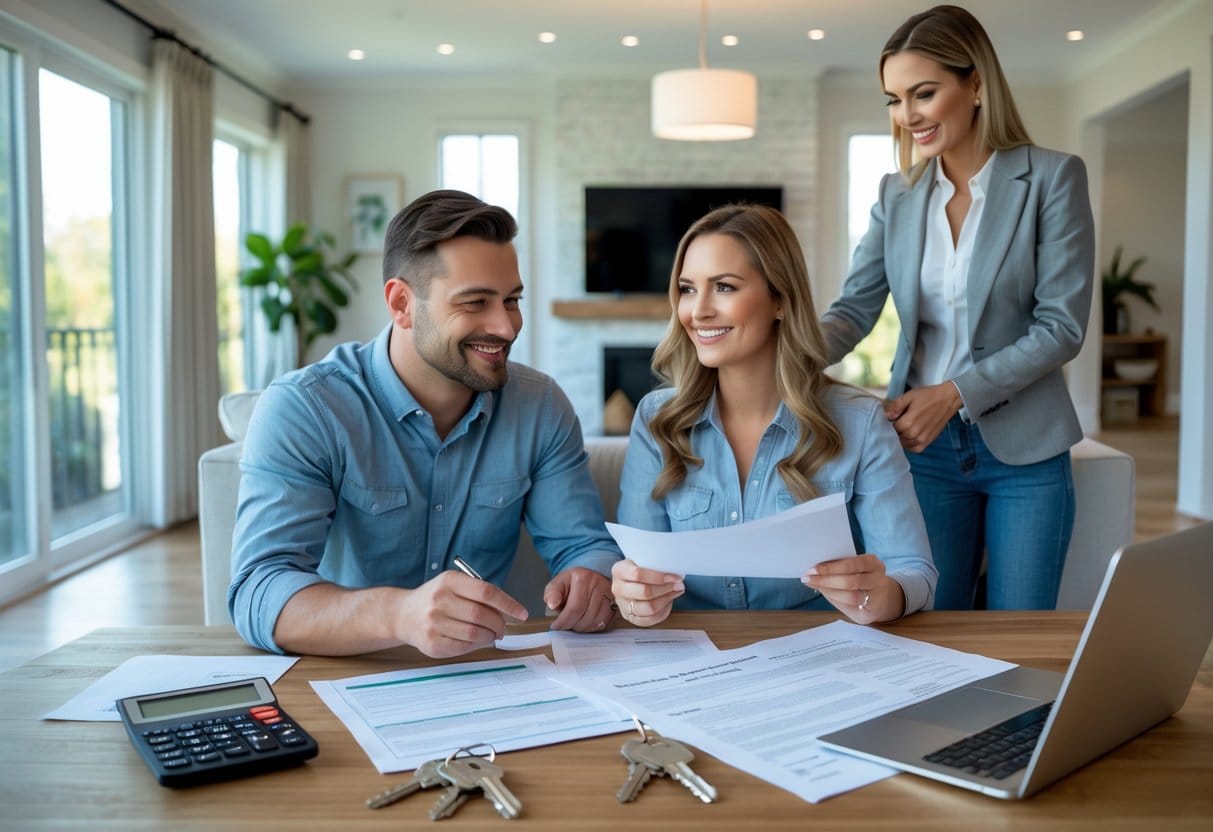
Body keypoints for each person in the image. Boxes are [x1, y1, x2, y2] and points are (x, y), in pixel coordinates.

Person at [229, 189, 621, 657]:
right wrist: (399, 615)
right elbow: (258, 591)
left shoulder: (540, 406)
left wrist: (591, 578)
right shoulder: (306, 409)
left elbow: (586, 547)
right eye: (475, 302)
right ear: (401, 304)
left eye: (512, 300)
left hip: (485, 675)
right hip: (349, 671)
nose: (506, 326)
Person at [819, 5, 1096, 610]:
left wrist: (954, 393)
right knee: (932, 628)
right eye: (893, 99)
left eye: (923, 93)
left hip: (1026, 449)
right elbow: (852, 312)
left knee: (1019, 634)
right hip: (922, 451)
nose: (906, 115)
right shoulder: (898, 195)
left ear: (975, 85)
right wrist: (770, 351)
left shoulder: (1051, 178)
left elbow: (1062, 327)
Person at [610, 204, 937, 626]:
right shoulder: (656, 420)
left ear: (780, 300)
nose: (698, 311)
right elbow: (635, 572)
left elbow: (915, 571)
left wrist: (881, 595)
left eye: (724, 287)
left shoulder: (860, 422)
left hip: (818, 661)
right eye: (688, 289)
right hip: (691, 664)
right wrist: (635, 598)